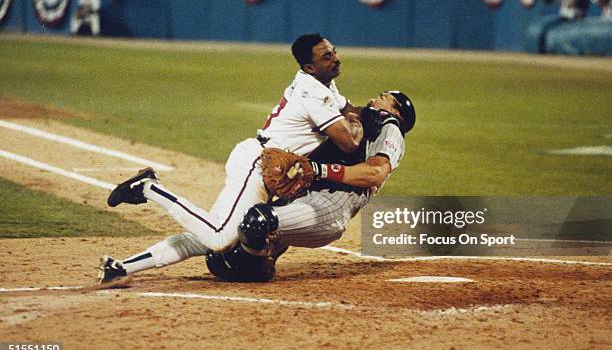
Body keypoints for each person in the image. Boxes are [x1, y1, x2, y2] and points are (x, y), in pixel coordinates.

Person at [98, 34, 363, 285]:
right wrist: (357, 121)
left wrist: (369, 110)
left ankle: (120, 269)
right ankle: (148, 187)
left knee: (209, 234)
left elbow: (348, 107)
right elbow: (349, 142)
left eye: (334, 51)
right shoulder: (311, 93)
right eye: (327, 56)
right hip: (256, 166)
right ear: (310, 66)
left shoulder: (322, 83)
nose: (336, 58)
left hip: (266, 168)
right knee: (219, 238)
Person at [98, 91, 415, 284]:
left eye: (385, 97)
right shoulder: (355, 124)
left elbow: (374, 175)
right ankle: (123, 267)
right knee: (221, 236)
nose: (376, 97)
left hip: (329, 211)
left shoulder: (390, 129)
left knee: (253, 225)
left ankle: (254, 261)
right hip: (304, 204)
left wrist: (317, 169)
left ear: (397, 111)